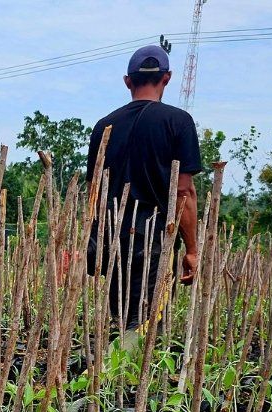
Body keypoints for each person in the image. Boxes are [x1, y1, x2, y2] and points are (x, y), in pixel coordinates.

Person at [87, 44, 202, 346]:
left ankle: (114, 380)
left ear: (128, 81)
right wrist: (191, 248)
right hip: (155, 241)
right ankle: (121, 378)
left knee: (122, 317)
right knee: (146, 327)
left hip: (111, 240)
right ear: (167, 78)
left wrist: (94, 239)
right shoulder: (178, 122)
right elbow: (184, 192)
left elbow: (93, 193)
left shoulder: (103, 127)